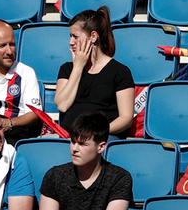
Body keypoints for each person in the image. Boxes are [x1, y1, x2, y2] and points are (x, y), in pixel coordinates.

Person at [54, 8, 135, 137]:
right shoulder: (67, 69)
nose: (71, 42)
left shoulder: (120, 72)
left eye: (75, 36)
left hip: (101, 140)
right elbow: (62, 105)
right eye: (70, 36)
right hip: (69, 139)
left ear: (93, 36)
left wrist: (95, 134)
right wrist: (78, 67)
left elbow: (126, 118)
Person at [38, 113, 132, 210]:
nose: (74, 149)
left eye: (82, 144)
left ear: (101, 147)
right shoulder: (55, 176)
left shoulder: (119, 178)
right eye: (73, 142)